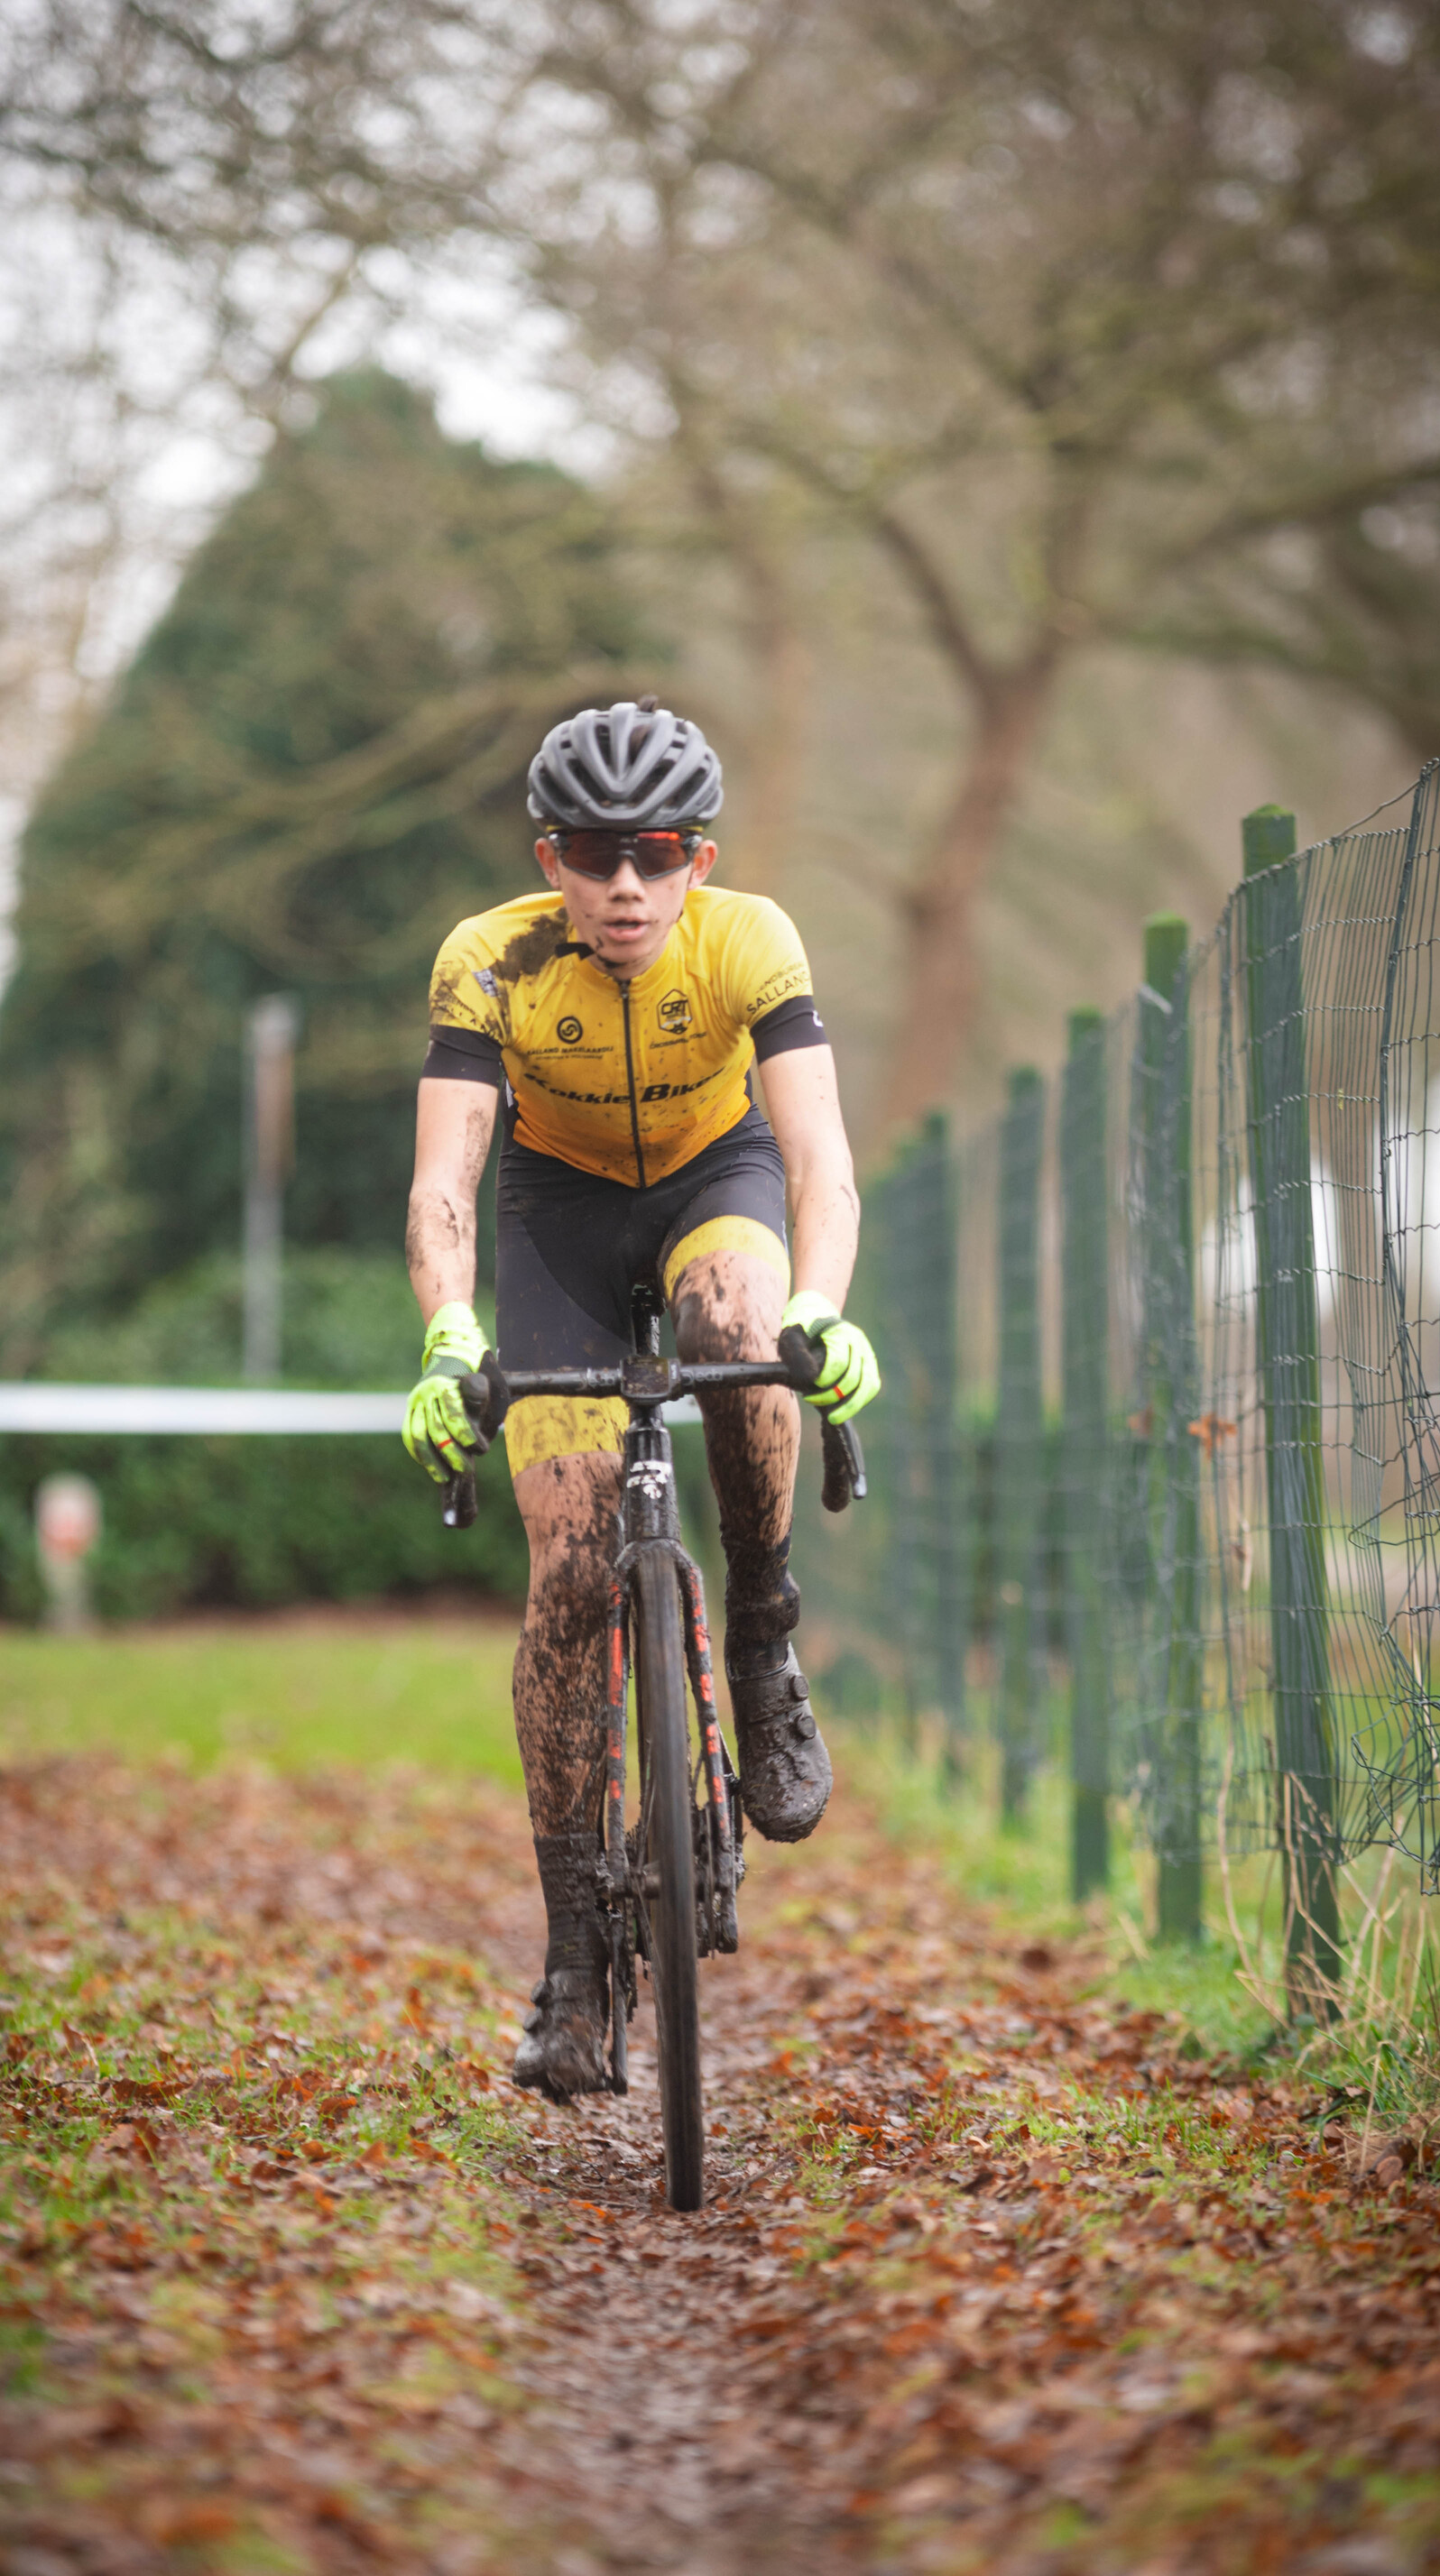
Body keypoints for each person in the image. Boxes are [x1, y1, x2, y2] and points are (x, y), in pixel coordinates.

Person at [402, 697, 880, 2101]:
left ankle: (761, 1632)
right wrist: (446, 1337)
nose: (626, 885)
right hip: (556, 1215)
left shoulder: (754, 943)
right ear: (551, 859)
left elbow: (820, 1166)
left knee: (742, 1322)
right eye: (598, 853)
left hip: (710, 1180)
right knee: (566, 1567)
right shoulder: (486, 963)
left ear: (700, 861)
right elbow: (444, 1180)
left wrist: (825, 1307)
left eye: (656, 853)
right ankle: (568, 1954)